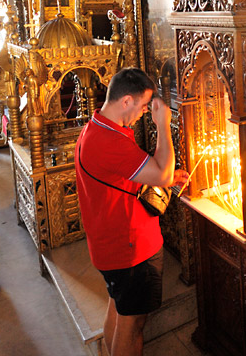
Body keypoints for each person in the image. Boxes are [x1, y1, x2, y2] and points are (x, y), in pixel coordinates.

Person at [75, 68, 188, 356]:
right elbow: (160, 174)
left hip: (111, 245)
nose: (143, 113)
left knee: (119, 309)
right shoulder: (109, 141)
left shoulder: (97, 128)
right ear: (126, 101)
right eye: (142, 106)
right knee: (133, 324)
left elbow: (123, 175)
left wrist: (163, 175)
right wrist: (163, 124)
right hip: (130, 250)